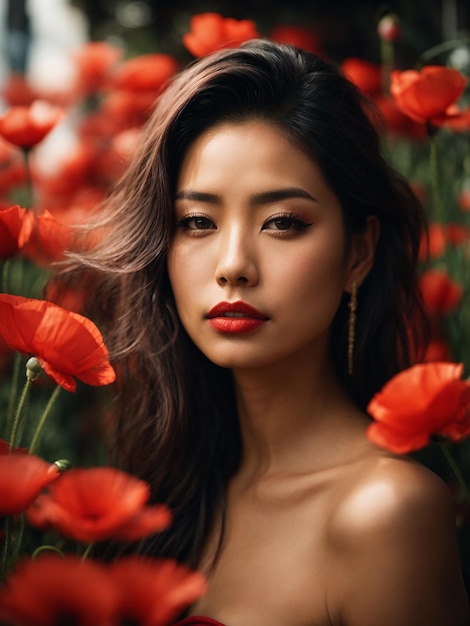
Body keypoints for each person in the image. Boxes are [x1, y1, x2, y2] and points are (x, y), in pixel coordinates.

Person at [66, 40, 469, 625]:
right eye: (197, 221)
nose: (233, 264)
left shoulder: (387, 512)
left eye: (282, 222)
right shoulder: (168, 492)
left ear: (359, 252)